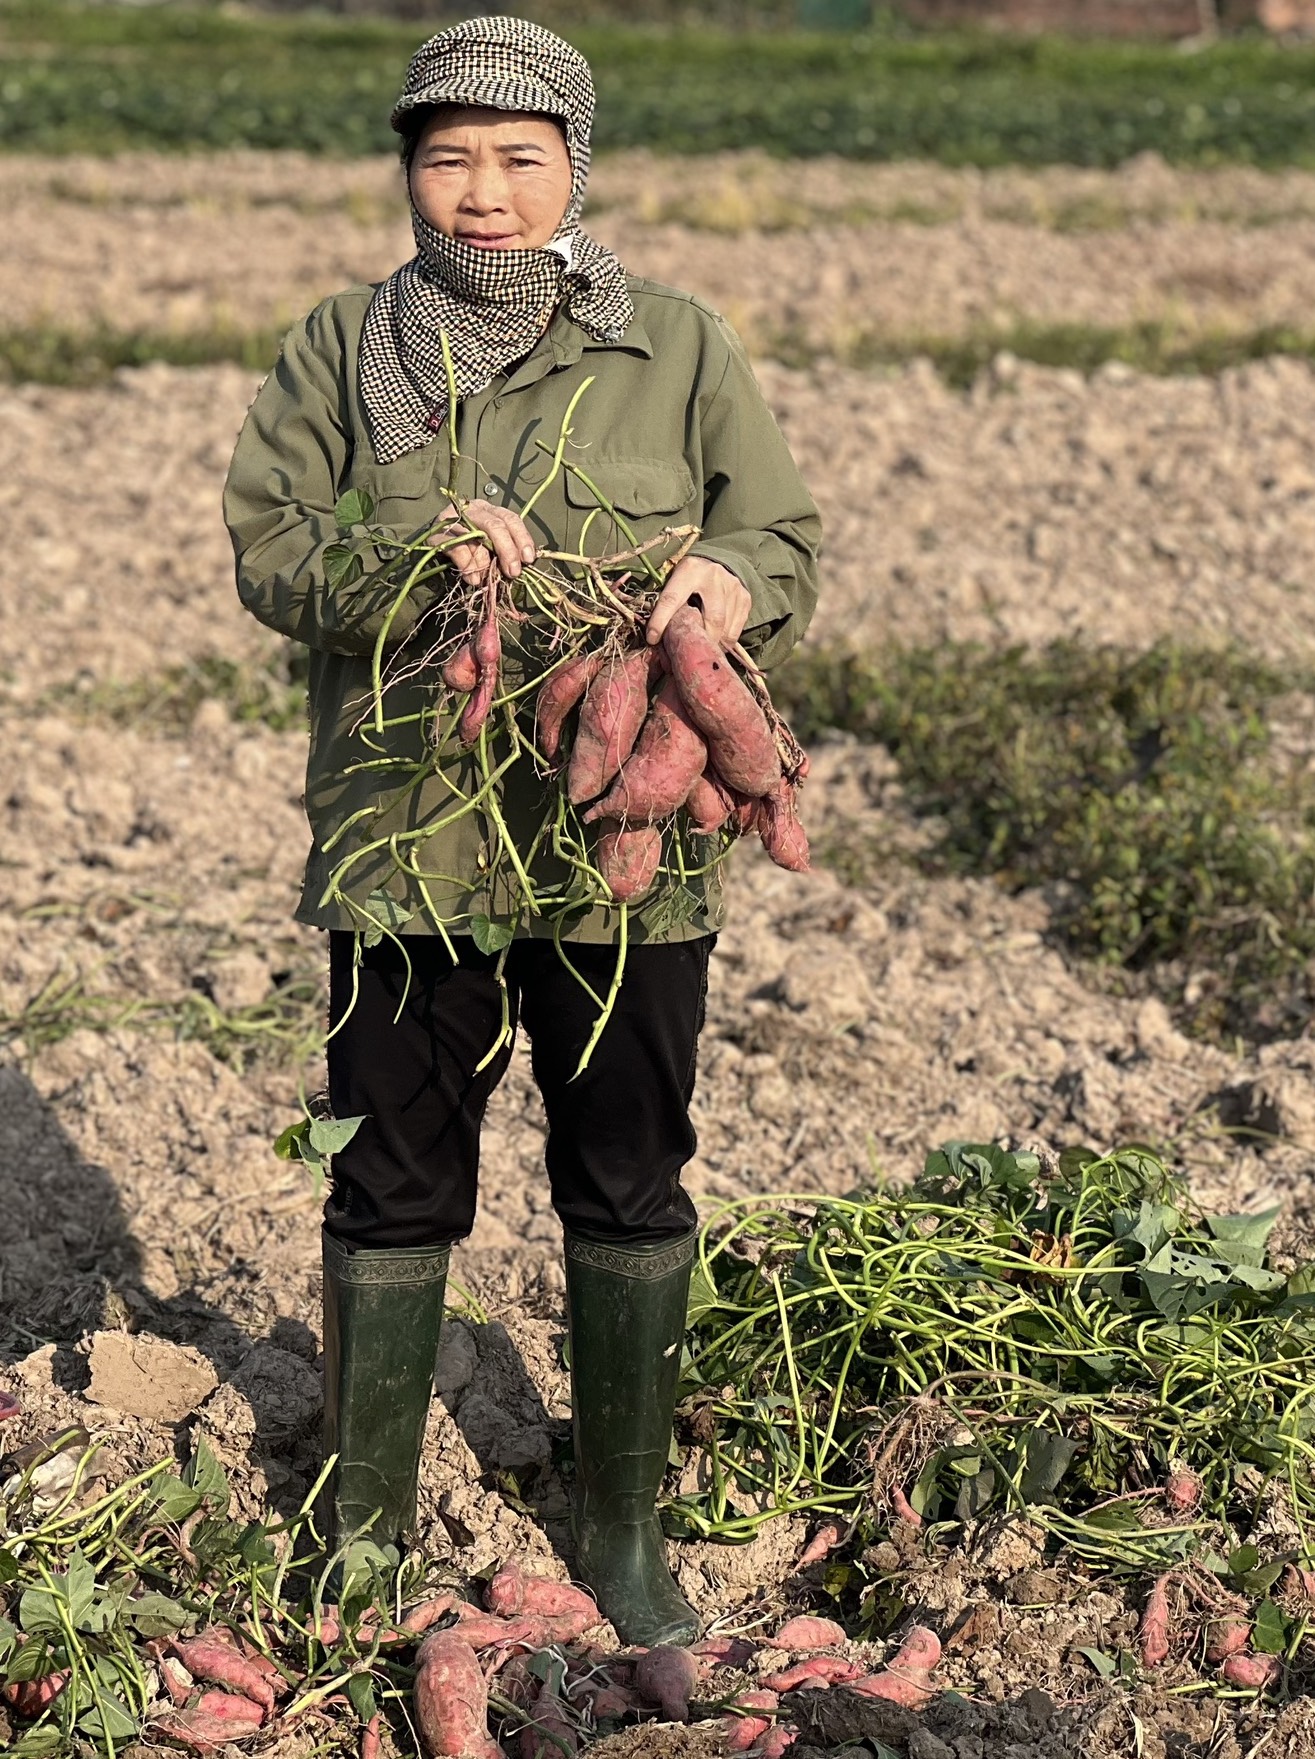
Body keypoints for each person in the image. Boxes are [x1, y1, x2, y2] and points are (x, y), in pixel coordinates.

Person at [223, 15, 820, 1647]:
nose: (482, 192)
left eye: (518, 157)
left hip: (626, 863)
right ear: (408, 171)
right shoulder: (343, 348)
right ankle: (360, 1528)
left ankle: (619, 1531)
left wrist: (727, 586)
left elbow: (779, 525)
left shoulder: (678, 346)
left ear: (573, 167)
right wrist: (421, 554)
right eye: (449, 157)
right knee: (393, 1186)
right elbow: (272, 548)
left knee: (628, 1178)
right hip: (407, 842)